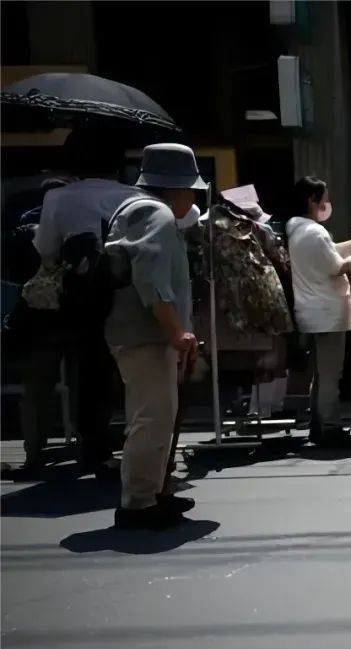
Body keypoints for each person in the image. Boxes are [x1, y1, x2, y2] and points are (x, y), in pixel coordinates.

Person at [29, 129, 143, 479]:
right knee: (137, 371)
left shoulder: (58, 199)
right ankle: (138, 441)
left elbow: (45, 250)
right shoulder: (136, 197)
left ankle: (95, 444)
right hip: (131, 294)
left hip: (82, 297)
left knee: (90, 369)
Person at [104, 143, 203, 530]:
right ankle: (139, 502)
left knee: (152, 415)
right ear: (176, 188)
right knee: (154, 417)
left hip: (134, 331)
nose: (193, 197)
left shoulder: (132, 209)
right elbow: (151, 279)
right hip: (147, 335)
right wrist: (177, 331)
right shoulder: (156, 214)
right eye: (191, 189)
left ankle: (153, 490)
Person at [285, 176, 351, 449]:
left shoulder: (297, 230)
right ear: (311, 200)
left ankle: (318, 423)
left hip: (310, 311)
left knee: (319, 372)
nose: (327, 203)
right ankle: (329, 426)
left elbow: (327, 256)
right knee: (330, 375)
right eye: (323, 198)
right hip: (328, 311)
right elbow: (337, 267)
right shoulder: (315, 232)